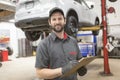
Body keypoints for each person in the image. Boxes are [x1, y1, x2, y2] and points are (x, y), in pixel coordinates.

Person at [35, 8, 87, 80]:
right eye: (54, 19)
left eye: (60, 18)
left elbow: (79, 60)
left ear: (65, 21)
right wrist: (62, 70)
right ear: (49, 22)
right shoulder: (44, 45)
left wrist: (82, 67)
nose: (57, 22)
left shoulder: (73, 41)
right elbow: (39, 73)